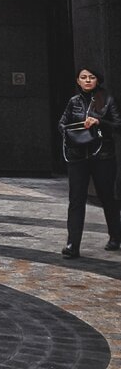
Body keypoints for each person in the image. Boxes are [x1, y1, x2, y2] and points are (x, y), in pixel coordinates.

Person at [58, 66, 121, 259]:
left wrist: (99, 122)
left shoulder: (107, 100)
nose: (87, 81)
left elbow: (118, 125)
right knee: (76, 199)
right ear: (78, 81)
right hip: (77, 156)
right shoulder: (73, 102)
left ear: (97, 80)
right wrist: (71, 130)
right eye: (83, 77)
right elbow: (62, 123)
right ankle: (72, 244)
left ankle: (115, 237)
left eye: (91, 77)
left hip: (102, 156)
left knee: (107, 197)